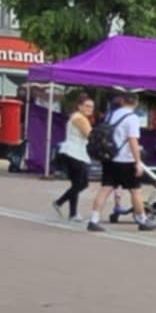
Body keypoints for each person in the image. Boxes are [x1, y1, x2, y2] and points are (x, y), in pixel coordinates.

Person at [92, 89, 156, 233]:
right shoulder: (132, 118)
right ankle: (142, 220)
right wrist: (138, 161)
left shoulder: (111, 115)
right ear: (136, 103)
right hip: (125, 160)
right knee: (135, 191)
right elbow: (133, 140)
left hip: (109, 157)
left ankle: (94, 219)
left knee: (105, 188)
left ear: (122, 101)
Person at [50, 94, 94, 223]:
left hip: (75, 152)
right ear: (79, 106)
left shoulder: (76, 117)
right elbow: (89, 135)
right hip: (74, 153)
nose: (89, 109)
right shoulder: (80, 118)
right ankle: (60, 202)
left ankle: (72, 213)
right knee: (82, 183)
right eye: (87, 106)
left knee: (77, 184)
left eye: (91, 107)